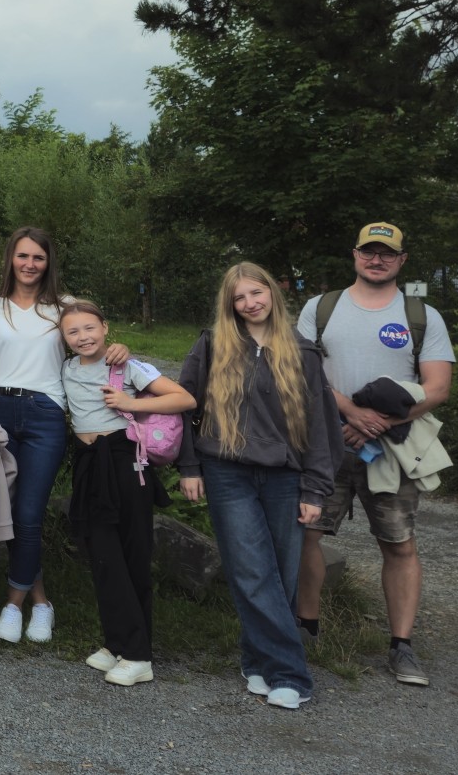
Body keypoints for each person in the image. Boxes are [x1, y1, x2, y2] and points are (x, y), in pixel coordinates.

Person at [295, 221, 454, 687]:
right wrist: (347, 412)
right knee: (307, 533)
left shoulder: (422, 315)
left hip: (393, 449)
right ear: (355, 255)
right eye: (369, 251)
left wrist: (381, 421)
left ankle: (401, 646)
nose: (376, 259)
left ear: (402, 260)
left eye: (387, 253)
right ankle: (306, 629)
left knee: (398, 544)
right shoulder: (319, 309)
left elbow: (438, 387)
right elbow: (302, 371)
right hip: (326, 442)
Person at [178, 262, 337, 710]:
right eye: (239, 298)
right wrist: (189, 466)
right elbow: (181, 405)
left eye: (256, 293)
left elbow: (322, 429)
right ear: (230, 305)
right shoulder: (212, 346)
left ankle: (256, 660)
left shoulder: (303, 352)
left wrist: (315, 490)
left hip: (287, 476)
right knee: (251, 570)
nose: (250, 303)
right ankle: (291, 673)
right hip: (227, 471)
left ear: (273, 293)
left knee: (281, 576)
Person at [0, 226, 129, 646]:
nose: (30, 264)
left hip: (44, 415)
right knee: (10, 511)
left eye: (38, 257)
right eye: (23, 256)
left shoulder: (64, 307)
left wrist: (119, 350)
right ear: (11, 259)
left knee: (30, 513)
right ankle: (40, 601)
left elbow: (92, 341)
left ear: (48, 262)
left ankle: (13, 605)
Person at [59, 300, 194, 687]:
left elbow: (184, 399)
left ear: (105, 328)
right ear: (64, 339)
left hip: (124, 462)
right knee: (101, 553)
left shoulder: (128, 366)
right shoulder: (67, 368)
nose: (83, 336)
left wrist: (131, 402)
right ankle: (118, 642)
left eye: (89, 328)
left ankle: (138, 654)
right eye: (73, 331)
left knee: (130, 555)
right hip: (89, 462)